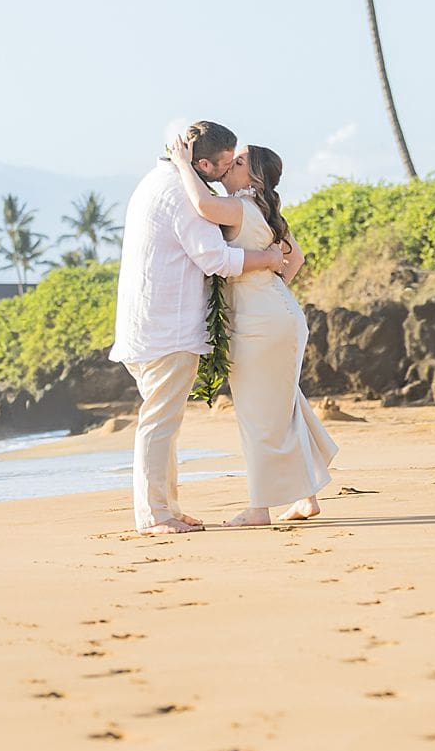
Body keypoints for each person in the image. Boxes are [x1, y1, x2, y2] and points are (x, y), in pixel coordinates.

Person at [110, 121, 288, 535]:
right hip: (166, 328)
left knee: (164, 422)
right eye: (224, 165)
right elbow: (215, 259)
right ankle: (155, 514)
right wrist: (266, 260)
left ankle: (165, 507)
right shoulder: (184, 194)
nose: (227, 173)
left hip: (146, 325)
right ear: (202, 163)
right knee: (159, 422)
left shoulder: (156, 182)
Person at [169, 133, 337, 527]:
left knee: (258, 413)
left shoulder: (241, 206)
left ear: (253, 179)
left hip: (260, 322)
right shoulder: (265, 208)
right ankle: (305, 497)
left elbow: (202, 204)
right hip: (280, 314)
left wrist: (180, 164)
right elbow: (295, 260)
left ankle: (259, 508)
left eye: (239, 162)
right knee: (282, 406)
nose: (229, 165)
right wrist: (269, 286)